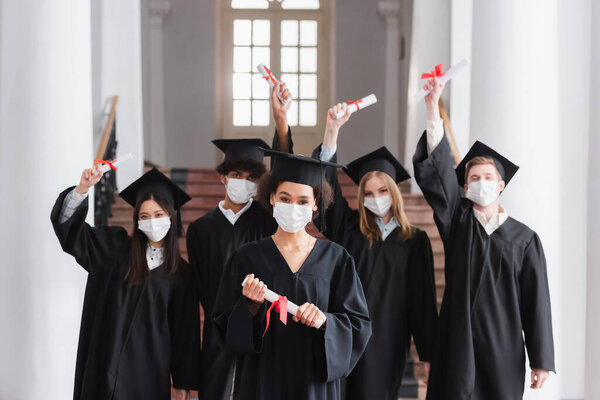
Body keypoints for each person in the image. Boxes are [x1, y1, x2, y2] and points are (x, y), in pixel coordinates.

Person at [413, 76, 555, 400]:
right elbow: (437, 177)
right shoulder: (457, 222)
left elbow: (537, 302)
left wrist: (542, 360)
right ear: (464, 188)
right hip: (457, 346)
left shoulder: (525, 239)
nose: (481, 182)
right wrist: (433, 105)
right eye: (473, 178)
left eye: (488, 177)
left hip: (503, 348)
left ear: (501, 184)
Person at [212, 150, 372, 400]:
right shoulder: (246, 258)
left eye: (302, 201)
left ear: (316, 204)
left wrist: (327, 321)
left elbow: (359, 324)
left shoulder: (336, 259)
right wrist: (251, 308)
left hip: (313, 385)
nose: (293, 207)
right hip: (261, 381)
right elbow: (222, 325)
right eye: (285, 198)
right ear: (272, 197)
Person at [312, 103, 438, 400]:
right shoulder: (348, 227)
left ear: (394, 193)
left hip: (388, 341)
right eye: (368, 193)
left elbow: (423, 303)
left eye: (382, 191)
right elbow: (327, 194)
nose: (376, 198)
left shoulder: (414, 241)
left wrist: (428, 354)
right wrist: (332, 131)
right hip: (343, 336)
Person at [50, 167, 200, 400]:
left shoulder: (180, 273)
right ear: (137, 220)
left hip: (147, 374)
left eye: (159, 215)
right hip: (104, 364)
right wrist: (82, 189)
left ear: (171, 216)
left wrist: (182, 382)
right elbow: (73, 235)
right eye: (144, 216)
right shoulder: (113, 249)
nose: (152, 222)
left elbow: (184, 333)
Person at [186, 82, 292, 400]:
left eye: (251, 178)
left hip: (264, 324)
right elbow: (201, 288)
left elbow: (286, 171)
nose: (242, 183)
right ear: (222, 177)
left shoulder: (266, 220)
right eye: (235, 176)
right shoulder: (201, 230)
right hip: (218, 329)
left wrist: (281, 121)